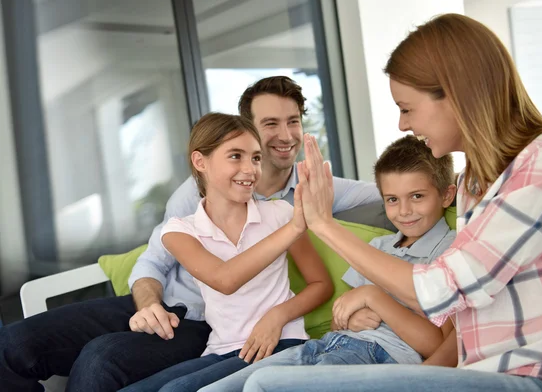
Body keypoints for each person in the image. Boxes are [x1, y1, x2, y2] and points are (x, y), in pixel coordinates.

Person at [242, 13, 542, 392]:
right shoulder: (475, 183)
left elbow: (442, 289)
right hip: (477, 374)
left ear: (455, 93)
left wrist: (324, 225)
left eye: (407, 108)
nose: (401, 125)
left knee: (268, 386)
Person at [0, 76, 381, 392]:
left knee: (100, 360)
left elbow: (389, 192)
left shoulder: (303, 195)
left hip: (204, 326)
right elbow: (157, 261)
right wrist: (148, 303)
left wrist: (433, 187)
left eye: (294, 121)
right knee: (13, 343)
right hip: (166, 305)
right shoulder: (191, 201)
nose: (285, 135)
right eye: (270, 124)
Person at [199, 135, 458, 392]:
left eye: (417, 196)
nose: (403, 211)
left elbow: (438, 344)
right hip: (328, 343)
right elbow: (340, 318)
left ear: (447, 196)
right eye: (392, 199)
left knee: (261, 385)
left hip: (381, 355)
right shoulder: (379, 247)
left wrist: (374, 297)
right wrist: (351, 318)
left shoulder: (452, 252)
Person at [119, 112, 332, 392]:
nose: (250, 168)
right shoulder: (180, 230)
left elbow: (321, 284)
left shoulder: (280, 214)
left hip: (283, 344)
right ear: (200, 162)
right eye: (235, 156)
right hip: (220, 351)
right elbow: (224, 279)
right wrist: (294, 227)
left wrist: (277, 316)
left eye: (256, 158)